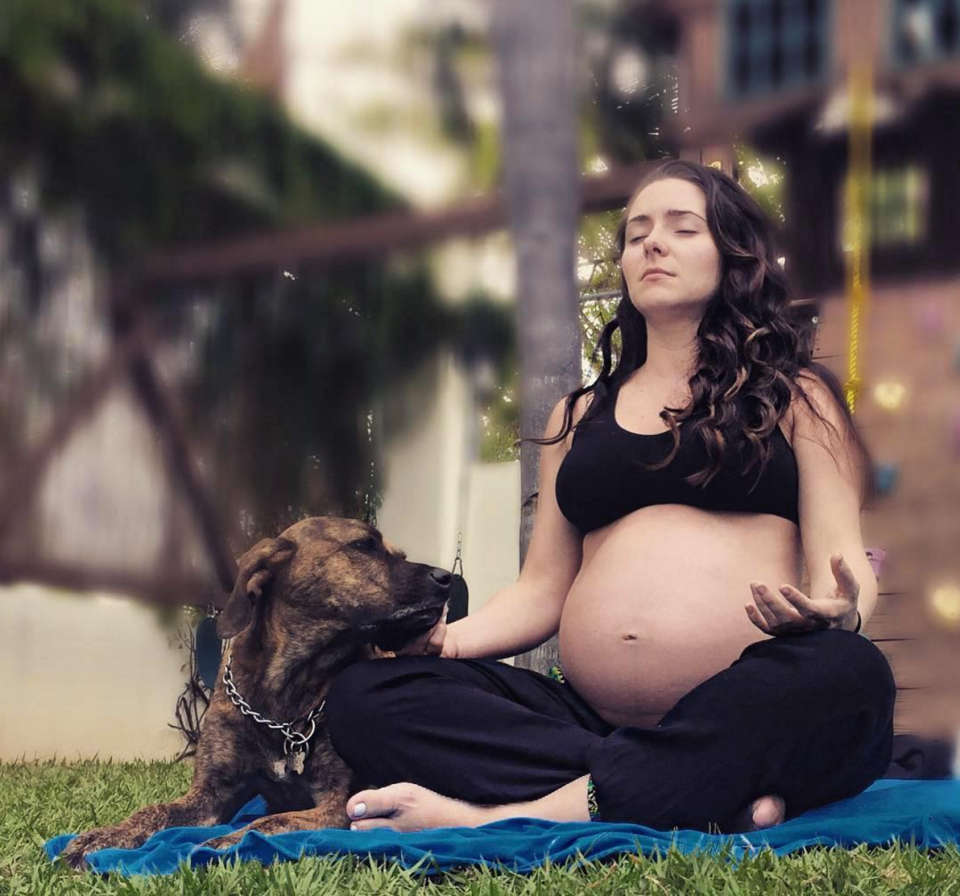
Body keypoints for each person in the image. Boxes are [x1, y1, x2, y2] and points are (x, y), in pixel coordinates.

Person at [324, 159, 896, 834]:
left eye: (683, 229)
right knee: (364, 697)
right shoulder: (578, 416)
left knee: (848, 671)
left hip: (747, 691)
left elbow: (840, 563)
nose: (652, 243)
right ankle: (700, 785)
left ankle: (514, 815)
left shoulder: (797, 397)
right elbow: (541, 591)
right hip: (588, 718)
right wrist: (446, 645)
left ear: (733, 255)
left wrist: (842, 611)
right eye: (636, 233)